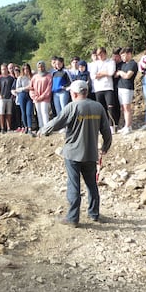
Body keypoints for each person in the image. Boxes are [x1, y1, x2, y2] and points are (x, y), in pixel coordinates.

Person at [39, 80, 112, 227]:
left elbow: (56, 122)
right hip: (90, 153)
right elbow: (107, 130)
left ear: (74, 93)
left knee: (74, 185)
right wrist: (105, 146)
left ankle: (73, 218)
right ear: (86, 91)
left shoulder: (72, 107)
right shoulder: (98, 107)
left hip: (73, 153)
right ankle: (94, 214)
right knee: (92, 184)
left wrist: (43, 131)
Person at [90, 47, 116, 128]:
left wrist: (100, 74)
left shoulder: (111, 62)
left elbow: (111, 72)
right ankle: (104, 126)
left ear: (105, 53)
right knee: (101, 108)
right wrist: (104, 73)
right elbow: (93, 76)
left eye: (101, 54)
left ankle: (112, 125)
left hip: (108, 87)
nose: (100, 56)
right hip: (98, 88)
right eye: (98, 54)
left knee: (110, 107)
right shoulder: (95, 64)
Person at [116, 47, 138, 135]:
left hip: (127, 88)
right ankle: (126, 125)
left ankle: (128, 126)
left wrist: (120, 73)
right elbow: (115, 74)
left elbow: (127, 76)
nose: (123, 57)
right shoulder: (122, 64)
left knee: (127, 107)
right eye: (122, 56)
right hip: (120, 87)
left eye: (125, 55)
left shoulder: (133, 64)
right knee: (123, 108)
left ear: (129, 54)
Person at [30, 61, 53, 130]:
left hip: (45, 98)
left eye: (42, 66)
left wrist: (42, 96)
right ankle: (41, 127)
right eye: (39, 67)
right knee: (39, 113)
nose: (40, 68)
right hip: (36, 98)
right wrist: (35, 97)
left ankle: (46, 127)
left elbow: (49, 88)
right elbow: (31, 88)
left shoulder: (49, 76)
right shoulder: (34, 77)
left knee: (44, 112)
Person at [15, 63, 34, 134]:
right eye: (24, 69)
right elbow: (17, 89)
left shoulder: (32, 77)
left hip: (30, 95)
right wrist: (25, 88)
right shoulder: (20, 78)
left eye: (27, 68)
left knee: (29, 112)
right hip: (22, 94)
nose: (26, 70)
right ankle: (25, 126)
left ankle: (29, 128)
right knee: (23, 112)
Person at [0, 63, 15, 133]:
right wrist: (0, 96)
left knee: (9, 113)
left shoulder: (11, 78)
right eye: (2, 69)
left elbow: (13, 88)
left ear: (7, 69)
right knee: (1, 113)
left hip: (9, 97)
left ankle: (9, 128)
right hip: (2, 98)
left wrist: (11, 96)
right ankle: (2, 128)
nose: (3, 71)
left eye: (4, 69)